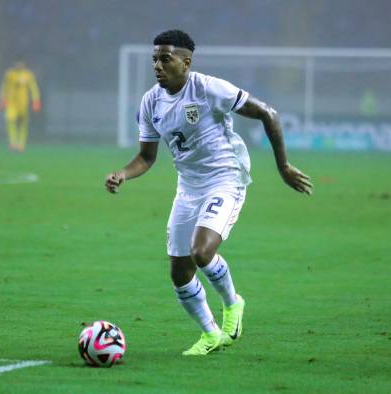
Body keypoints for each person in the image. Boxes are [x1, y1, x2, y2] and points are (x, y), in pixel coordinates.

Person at [105, 30, 312, 356]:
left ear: (186, 62)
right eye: (154, 59)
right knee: (179, 273)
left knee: (201, 252)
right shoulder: (150, 102)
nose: (157, 65)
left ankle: (233, 304)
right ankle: (210, 333)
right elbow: (146, 157)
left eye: (165, 58)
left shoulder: (207, 88)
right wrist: (122, 174)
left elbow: (267, 113)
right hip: (188, 187)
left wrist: (283, 167)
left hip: (225, 178)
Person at [0, 61, 41, 152]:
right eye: (17, 63)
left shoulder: (28, 75)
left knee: (23, 123)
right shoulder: (9, 74)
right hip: (11, 103)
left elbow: (33, 88)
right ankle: (12, 142)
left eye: (21, 63)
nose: (19, 64)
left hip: (23, 104)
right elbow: (4, 87)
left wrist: (36, 101)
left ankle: (21, 144)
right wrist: (3, 100)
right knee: (10, 120)